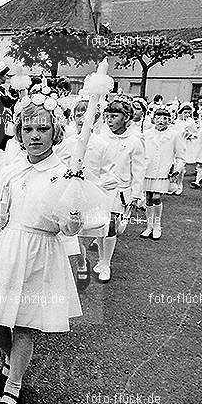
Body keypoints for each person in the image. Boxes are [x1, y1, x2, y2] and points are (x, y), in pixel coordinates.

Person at [0, 88, 83, 404]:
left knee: (23, 324)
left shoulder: (65, 172)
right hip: (5, 250)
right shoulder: (12, 169)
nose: (35, 136)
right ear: (18, 132)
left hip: (38, 252)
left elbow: (68, 228)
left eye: (43, 129)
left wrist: (72, 218)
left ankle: (13, 385)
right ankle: (11, 359)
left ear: (55, 132)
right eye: (28, 129)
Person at [54, 99, 117, 290]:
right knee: (76, 230)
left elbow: (108, 170)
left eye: (87, 114)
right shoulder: (67, 143)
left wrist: (107, 182)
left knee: (103, 227)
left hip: (96, 191)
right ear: (73, 118)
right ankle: (81, 262)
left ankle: (104, 262)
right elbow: (58, 165)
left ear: (96, 118)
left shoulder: (102, 145)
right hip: (73, 193)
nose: (83, 119)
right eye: (79, 115)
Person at [95, 97, 145, 282]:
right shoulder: (101, 138)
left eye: (114, 116)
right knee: (100, 226)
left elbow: (139, 170)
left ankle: (106, 264)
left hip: (121, 190)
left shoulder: (135, 141)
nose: (109, 120)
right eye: (107, 116)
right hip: (101, 189)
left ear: (126, 117)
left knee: (111, 227)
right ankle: (102, 260)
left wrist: (137, 194)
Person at [140, 107, 185, 240]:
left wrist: (176, 169)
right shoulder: (146, 134)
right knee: (148, 197)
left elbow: (181, 155)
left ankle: (157, 225)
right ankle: (149, 226)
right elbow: (141, 152)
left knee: (156, 197)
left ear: (169, 120)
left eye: (165, 118)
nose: (161, 121)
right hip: (148, 170)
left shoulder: (174, 135)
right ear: (154, 119)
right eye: (159, 118)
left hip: (163, 171)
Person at [169, 102, 197, 195]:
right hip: (173, 146)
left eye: (189, 113)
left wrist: (190, 135)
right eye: (185, 112)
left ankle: (180, 185)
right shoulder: (175, 122)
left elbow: (196, 134)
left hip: (184, 145)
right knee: (172, 166)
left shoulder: (191, 122)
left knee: (180, 167)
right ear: (181, 112)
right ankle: (172, 186)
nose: (187, 115)